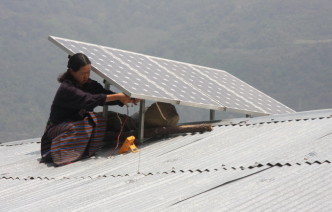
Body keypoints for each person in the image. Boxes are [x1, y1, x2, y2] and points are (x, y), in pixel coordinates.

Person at [41, 53, 139, 166]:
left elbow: (104, 95)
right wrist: (118, 96)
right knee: (76, 127)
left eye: (88, 72)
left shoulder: (88, 84)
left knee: (99, 121)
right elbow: (89, 100)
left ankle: (84, 152)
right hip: (57, 128)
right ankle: (60, 155)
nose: (86, 76)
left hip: (76, 122)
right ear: (72, 71)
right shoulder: (67, 89)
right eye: (82, 73)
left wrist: (127, 99)